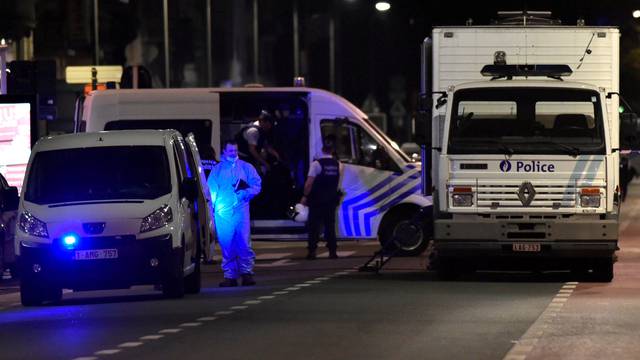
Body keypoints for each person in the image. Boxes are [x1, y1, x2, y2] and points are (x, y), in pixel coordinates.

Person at [207, 140, 262, 287]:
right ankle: (230, 276)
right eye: (231, 151)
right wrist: (211, 209)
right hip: (222, 213)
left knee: (244, 243)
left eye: (235, 150)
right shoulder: (217, 170)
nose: (234, 153)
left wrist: (245, 193)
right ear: (224, 151)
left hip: (241, 211)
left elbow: (257, 185)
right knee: (227, 244)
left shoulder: (246, 167)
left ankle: (247, 273)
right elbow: (211, 190)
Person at [300, 138, 341, 260]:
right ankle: (332, 252)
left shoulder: (316, 164)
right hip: (331, 200)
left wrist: (305, 196)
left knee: (314, 226)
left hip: (317, 200)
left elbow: (309, 183)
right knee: (330, 226)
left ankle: (312, 251)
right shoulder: (337, 164)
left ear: (322, 150)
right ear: (332, 150)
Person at [235, 110, 281, 174]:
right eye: (268, 124)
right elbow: (252, 150)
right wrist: (265, 163)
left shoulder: (262, 130)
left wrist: (276, 155)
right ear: (263, 122)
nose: (269, 127)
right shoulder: (253, 131)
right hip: (243, 158)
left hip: (251, 157)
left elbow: (266, 145)